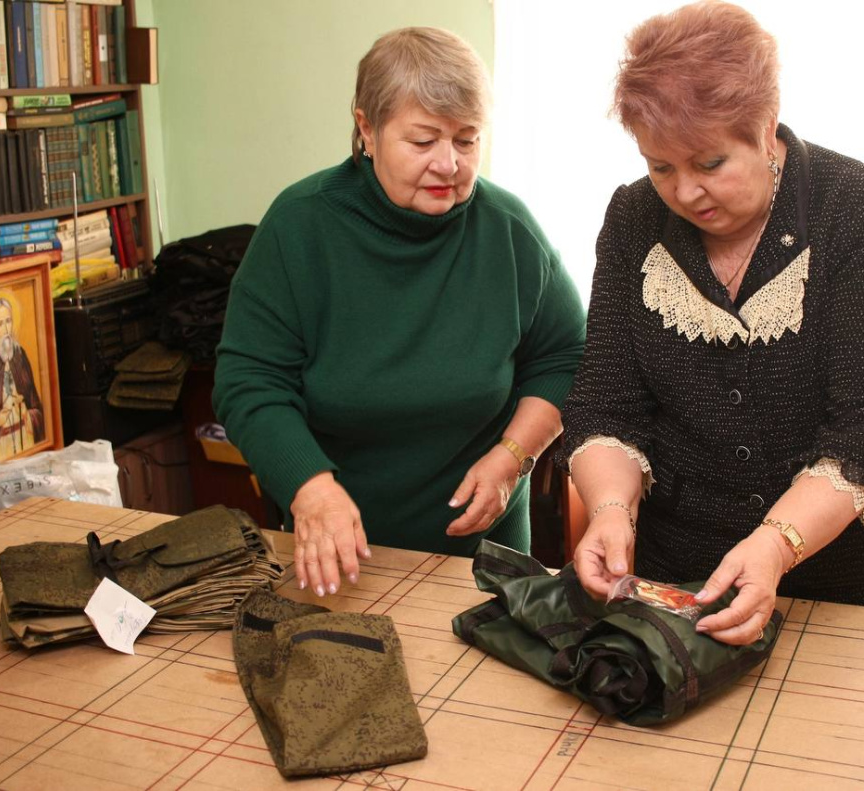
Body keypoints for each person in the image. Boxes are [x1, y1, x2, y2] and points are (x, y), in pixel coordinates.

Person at [562, 1, 864, 646]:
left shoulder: (861, 213)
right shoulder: (632, 220)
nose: (684, 193)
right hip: (682, 550)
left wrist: (775, 545)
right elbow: (607, 399)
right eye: (661, 167)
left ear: (766, 128)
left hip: (841, 562)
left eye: (709, 164)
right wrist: (609, 510)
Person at [213, 27, 586, 598]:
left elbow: (566, 356)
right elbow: (249, 382)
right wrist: (311, 489)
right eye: (423, 141)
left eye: (467, 141)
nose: (449, 164)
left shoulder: (508, 230)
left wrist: (513, 457)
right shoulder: (299, 227)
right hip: (338, 552)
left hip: (481, 558)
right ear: (366, 128)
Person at [0, 297, 44, 463]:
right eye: (0, 324)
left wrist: (27, 413)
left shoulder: (21, 357)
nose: (6, 329)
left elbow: (39, 411)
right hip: (1, 451)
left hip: (26, 443)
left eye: (8, 321)